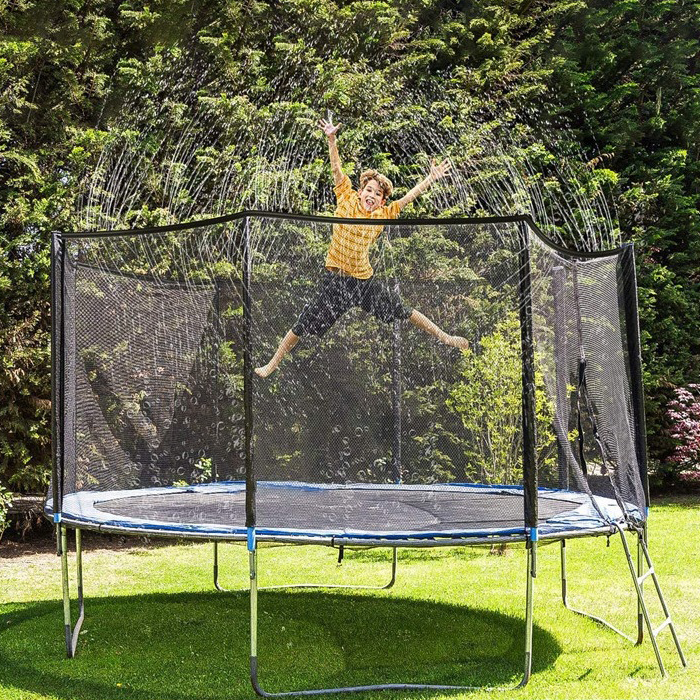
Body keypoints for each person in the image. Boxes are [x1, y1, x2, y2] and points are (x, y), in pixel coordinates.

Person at [254, 116, 469, 378]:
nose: (372, 195)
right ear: (360, 191)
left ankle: (446, 337)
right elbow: (336, 169)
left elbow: (408, 198)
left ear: (382, 201)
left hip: (362, 282)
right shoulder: (345, 197)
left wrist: (430, 179)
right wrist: (331, 139)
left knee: (403, 310)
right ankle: (272, 365)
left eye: (378, 194)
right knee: (302, 324)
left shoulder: (383, 214)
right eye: (369, 190)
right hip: (334, 281)